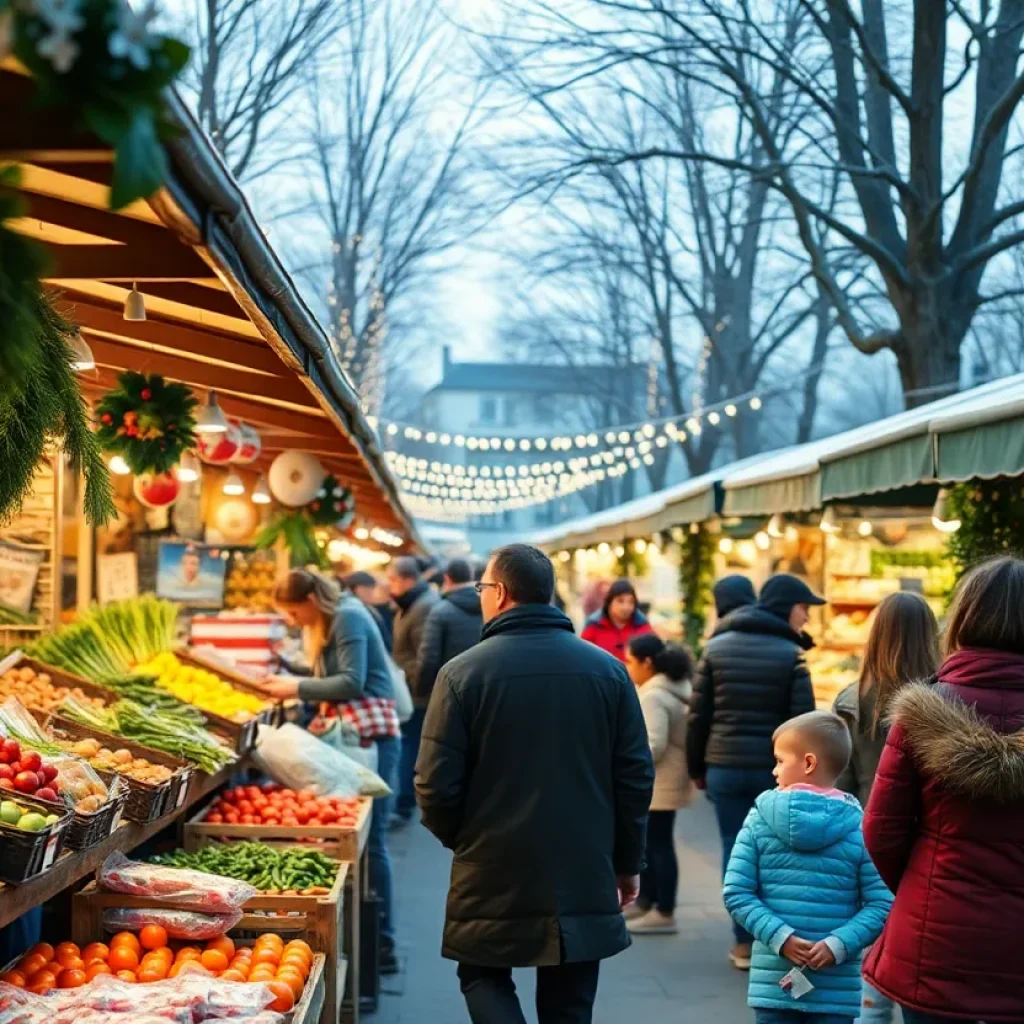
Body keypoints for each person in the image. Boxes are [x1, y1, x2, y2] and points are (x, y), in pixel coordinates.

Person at [415, 544, 654, 1024]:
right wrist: (627, 861)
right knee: (570, 995)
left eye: (483, 587)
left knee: (482, 973)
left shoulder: (462, 675)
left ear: (500, 593)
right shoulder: (610, 672)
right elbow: (634, 777)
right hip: (584, 857)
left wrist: (463, 838)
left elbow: (434, 786)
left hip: (492, 860)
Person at [862, 556, 1024, 1024]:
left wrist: (921, 885)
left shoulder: (922, 710)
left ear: (964, 616)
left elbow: (881, 832)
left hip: (933, 941)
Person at [264, 570, 402, 973]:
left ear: (310, 600)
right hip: (354, 737)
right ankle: (369, 938)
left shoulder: (348, 617)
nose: (291, 620)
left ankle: (383, 943)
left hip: (369, 740)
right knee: (365, 836)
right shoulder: (335, 618)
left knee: (371, 839)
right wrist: (294, 675)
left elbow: (352, 682)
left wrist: (296, 687)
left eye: (292, 611)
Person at [687, 573, 821, 970]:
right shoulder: (791, 654)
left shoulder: (716, 647)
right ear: (786, 608)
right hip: (773, 771)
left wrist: (698, 768)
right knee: (777, 853)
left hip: (723, 766)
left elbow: (698, 716)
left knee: (735, 848)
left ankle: (743, 942)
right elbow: (804, 724)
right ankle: (776, 940)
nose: (807, 618)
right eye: (804, 608)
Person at [724, 711, 892, 1024]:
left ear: (809, 763)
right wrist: (838, 944)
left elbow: (737, 892)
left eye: (779, 760)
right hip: (836, 990)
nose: (774, 771)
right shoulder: (860, 827)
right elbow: (882, 904)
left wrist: (780, 937)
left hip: (775, 984)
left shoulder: (759, 819)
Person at [832, 592, 938, 1024]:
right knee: (921, 954)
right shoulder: (942, 699)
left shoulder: (851, 699)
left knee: (873, 949)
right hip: (928, 842)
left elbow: (838, 780)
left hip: (866, 835)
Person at [624, 632, 695, 936]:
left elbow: (653, 744)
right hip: (669, 778)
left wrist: (626, 764)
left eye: (630, 661)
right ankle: (647, 901)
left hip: (660, 780)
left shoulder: (653, 695)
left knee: (658, 845)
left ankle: (663, 910)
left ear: (647, 663)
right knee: (654, 843)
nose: (628, 667)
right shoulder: (673, 688)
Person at [388, 556, 439, 825]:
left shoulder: (423, 607)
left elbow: (424, 654)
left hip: (417, 690)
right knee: (413, 745)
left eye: (392, 580)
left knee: (411, 745)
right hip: (411, 686)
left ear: (407, 579)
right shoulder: (410, 605)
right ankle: (409, 801)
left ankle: (406, 803)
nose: (388, 586)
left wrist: (415, 687)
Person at [416, 558, 482, 708]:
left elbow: (429, 658)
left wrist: (420, 690)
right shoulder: (486, 607)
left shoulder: (440, 611)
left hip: (449, 690)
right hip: (480, 687)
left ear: (447, 578)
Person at [581, 579, 653, 662]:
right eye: (620, 601)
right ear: (609, 602)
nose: (626, 607)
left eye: (631, 602)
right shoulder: (593, 627)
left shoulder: (643, 627)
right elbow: (582, 658)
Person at [341, 570, 393, 650]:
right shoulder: (353, 612)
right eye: (368, 589)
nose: (372, 593)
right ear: (357, 589)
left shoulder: (369, 609)